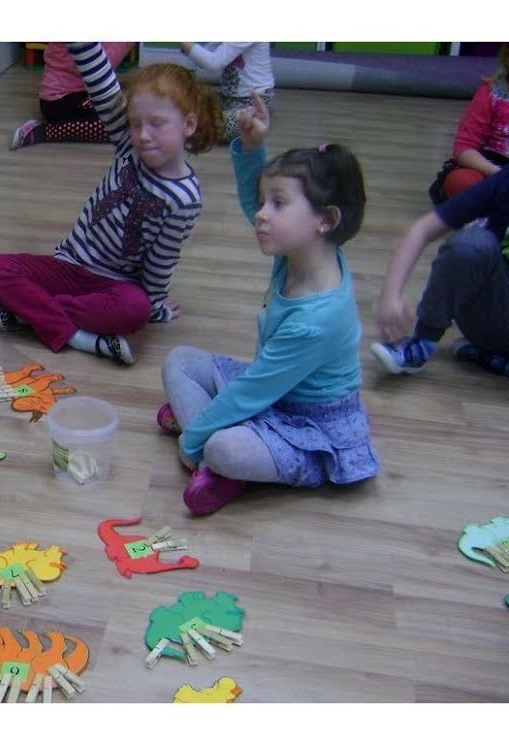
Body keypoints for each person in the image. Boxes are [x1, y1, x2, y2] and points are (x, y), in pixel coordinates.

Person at [158, 91, 379, 516]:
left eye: (278, 204)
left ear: (325, 219)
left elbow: (253, 390)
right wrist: (252, 147)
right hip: (273, 391)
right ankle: (212, 432)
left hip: (311, 423)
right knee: (179, 360)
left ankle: (220, 458)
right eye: (265, 202)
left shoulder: (318, 319)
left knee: (221, 448)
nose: (261, 213)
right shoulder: (301, 250)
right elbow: (252, 202)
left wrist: (192, 442)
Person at [0, 42, 222, 366]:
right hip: (68, 265)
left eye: (157, 123)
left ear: (188, 125)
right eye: (136, 124)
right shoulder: (129, 146)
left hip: (114, 285)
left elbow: (162, 259)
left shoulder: (185, 199)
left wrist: (155, 305)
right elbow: (103, 87)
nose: (143, 135)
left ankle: (27, 315)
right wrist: (81, 42)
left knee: (136, 309)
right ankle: (80, 337)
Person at [371, 166, 509, 379]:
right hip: (496, 313)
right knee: (471, 244)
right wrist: (390, 296)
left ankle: (493, 357)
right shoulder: (505, 182)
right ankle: (421, 344)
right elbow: (423, 228)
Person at [9, 42, 135, 150]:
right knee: (122, 125)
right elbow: (96, 66)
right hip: (61, 99)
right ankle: (43, 131)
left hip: (84, 91)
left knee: (135, 103)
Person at [429, 43, 509, 203]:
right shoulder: (492, 91)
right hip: (492, 166)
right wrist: (498, 174)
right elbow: (465, 147)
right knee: (461, 181)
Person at [178, 42, 275, 144]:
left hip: (252, 102)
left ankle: (256, 120)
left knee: (204, 129)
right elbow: (204, 58)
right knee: (185, 104)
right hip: (228, 99)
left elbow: (213, 63)